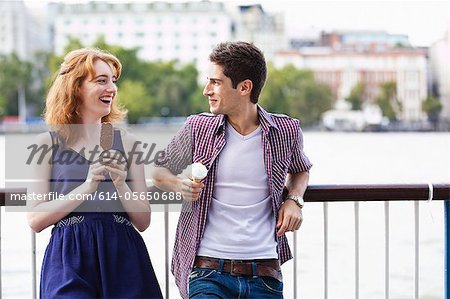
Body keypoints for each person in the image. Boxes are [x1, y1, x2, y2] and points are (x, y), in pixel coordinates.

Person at [152, 41, 312, 299]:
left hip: (264, 273)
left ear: (244, 88)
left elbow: (301, 169)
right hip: (206, 271)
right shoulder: (198, 128)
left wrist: (294, 200)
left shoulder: (285, 130)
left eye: (215, 82)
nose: (206, 90)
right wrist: (178, 185)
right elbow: (159, 172)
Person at [26, 48, 163, 299]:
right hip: (69, 260)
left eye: (113, 80)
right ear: (75, 87)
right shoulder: (46, 144)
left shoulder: (129, 143)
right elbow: (35, 220)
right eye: (101, 80)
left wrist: (121, 185)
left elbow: (143, 221)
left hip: (124, 257)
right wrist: (86, 187)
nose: (111, 88)